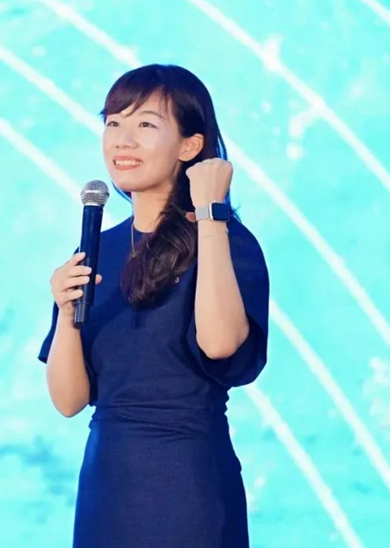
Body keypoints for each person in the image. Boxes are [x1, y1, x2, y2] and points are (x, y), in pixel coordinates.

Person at [38, 64, 270, 547]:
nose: (122, 140)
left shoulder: (226, 241)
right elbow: (69, 401)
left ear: (190, 146)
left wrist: (211, 214)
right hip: (106, 487)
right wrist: (65, 315)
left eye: (145, 124)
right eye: (113, 123)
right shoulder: (97, 248)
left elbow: (220, 343)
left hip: (188, 483)